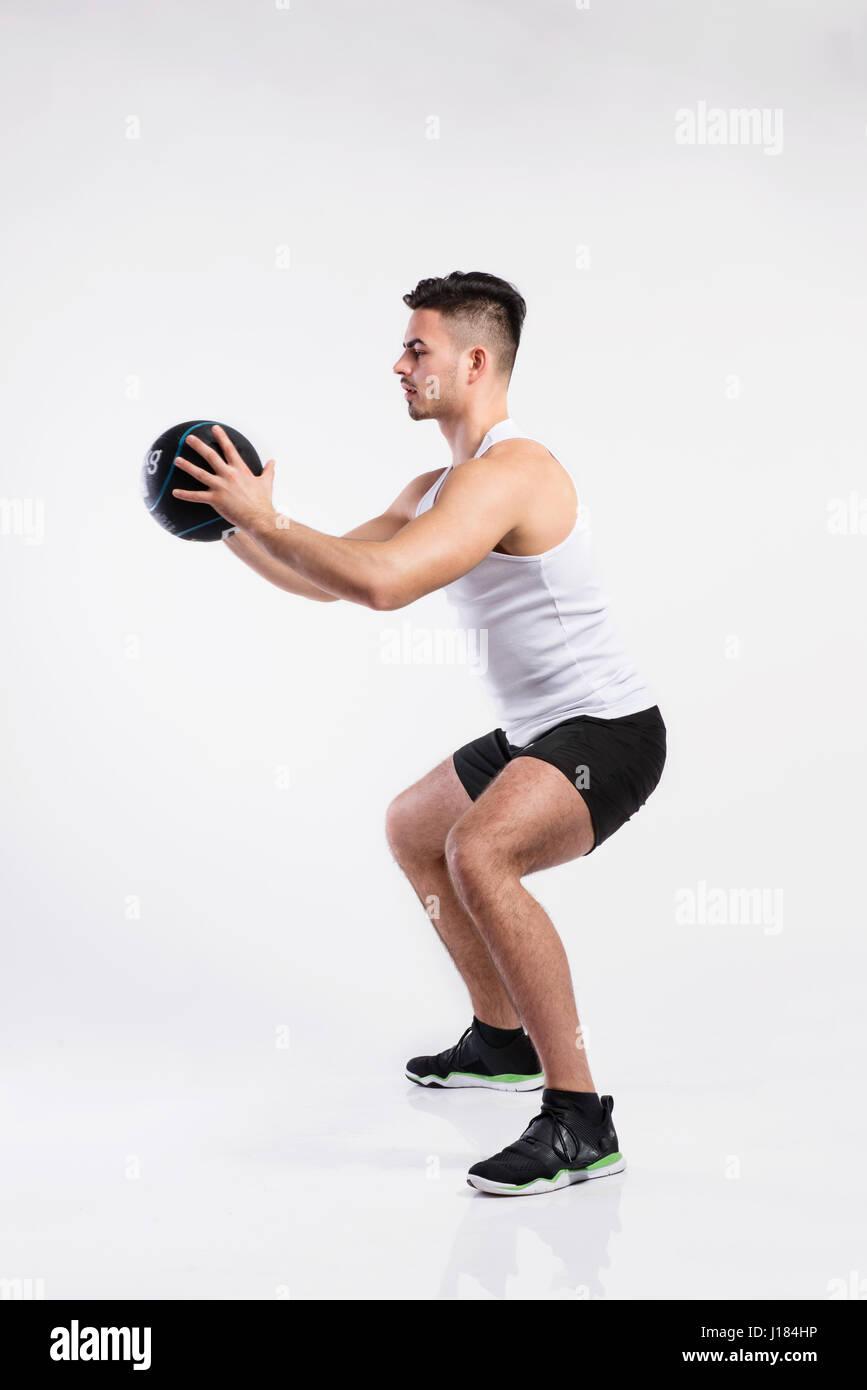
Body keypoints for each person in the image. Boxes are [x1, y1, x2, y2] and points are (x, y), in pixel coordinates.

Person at [170, 270, 667, 1197]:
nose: (397, 364)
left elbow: (387, 584)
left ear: (474, 361)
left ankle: (579, 1119)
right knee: (413, 827)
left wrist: (264, 515)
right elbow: (331, 575)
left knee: (481, 852)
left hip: (609, 731)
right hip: (537, 730)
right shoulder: (437, 484)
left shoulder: (514, 473)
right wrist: (228, 529)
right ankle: (499, 1039)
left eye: (416, 348)